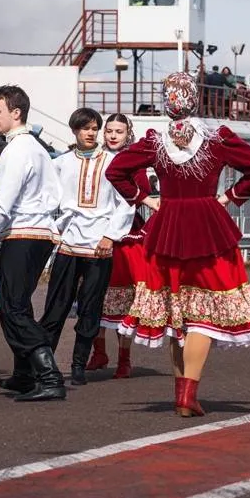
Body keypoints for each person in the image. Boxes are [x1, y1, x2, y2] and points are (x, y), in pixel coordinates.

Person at [106, 72, 250, 417]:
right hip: (207, 225)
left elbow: (115, 171)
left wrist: (146, 198)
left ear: (166, 100)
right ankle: (188, 394)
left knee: (176, 313)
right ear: (195, 98)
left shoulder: (155, 140)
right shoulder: (217, 136)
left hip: (167, 224)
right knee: (204, 315)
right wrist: (229, 196)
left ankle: (180, 393)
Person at [0, 85, 65, 402]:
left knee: (13, 308)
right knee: (15, 305)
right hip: (35, 233)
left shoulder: (18, 149)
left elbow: (2, 202)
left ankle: (49, 377)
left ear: (15, 113)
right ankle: (24, 375)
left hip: (25, 233)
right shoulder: (30, 148)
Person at [38, 109, 143, 386]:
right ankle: (44, 365)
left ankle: (78, 365)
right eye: (85, 128)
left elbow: (126, 203)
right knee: (56, 307)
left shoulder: (112, 162)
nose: (91, 133)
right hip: (68, 243)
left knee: (91, 307)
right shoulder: (60, 163)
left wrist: (111, 236)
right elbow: (48, 199)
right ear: (74, 130)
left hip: (99, 245)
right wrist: (52, 230)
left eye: (95, 128)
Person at [88, 113, 154, 380]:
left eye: (119, 131)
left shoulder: (134, 163)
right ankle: (99, 352)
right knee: (95, 298)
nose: (113, 135)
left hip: (126, 238)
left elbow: (143, 195)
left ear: (129, 134)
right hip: (95, 231)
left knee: (123, 301)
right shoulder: (96, 158)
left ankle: (124, 359)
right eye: (110, 131)